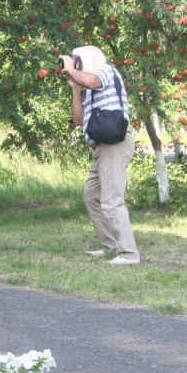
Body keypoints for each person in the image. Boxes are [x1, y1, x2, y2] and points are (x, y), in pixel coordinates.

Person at [60, 45, 141, 265]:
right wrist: (75, 90)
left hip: (114, 146)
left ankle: (129, 254)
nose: (75, 64)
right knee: (91, 197)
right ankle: (111, 246)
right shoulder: (90, 87)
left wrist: (70, 68)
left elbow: (89, 79)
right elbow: (79, 120)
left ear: (92, 60)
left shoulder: (105, 70)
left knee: (112, 201)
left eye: (78, 60)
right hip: (101, 149)